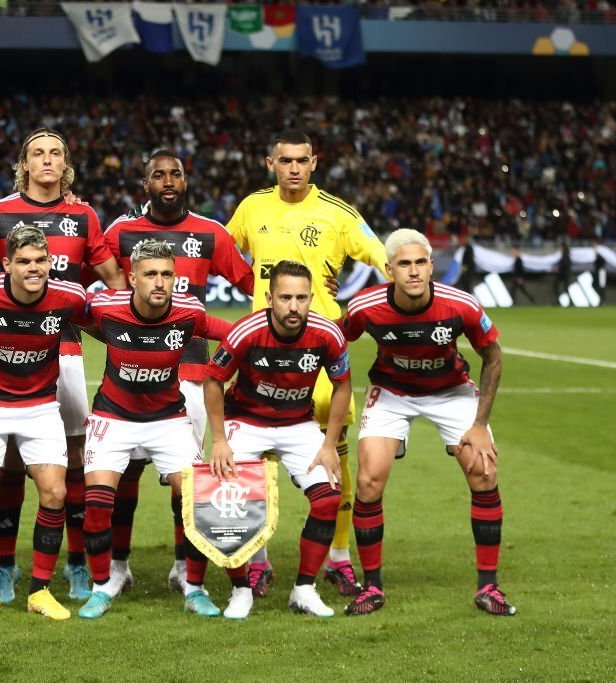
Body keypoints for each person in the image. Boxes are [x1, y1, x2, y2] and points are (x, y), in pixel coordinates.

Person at [0, 128, 125, 603]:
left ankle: (73, 565)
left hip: (63, 352)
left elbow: (113, 283)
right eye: (37, 154)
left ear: (65, 163)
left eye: (55, 153)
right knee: (7, 467)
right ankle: (5, 567)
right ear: (24, 164)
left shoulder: (83, 214)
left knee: (71, 468)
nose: (46, 160)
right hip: (7, 361)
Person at [226, 128, 390, 598]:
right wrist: (251, 289)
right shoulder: (252, 207)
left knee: (332, 459)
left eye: (302, 160)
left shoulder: (338, 214)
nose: (293, 168)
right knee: (254, 460)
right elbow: (223, 250)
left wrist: (402, 273)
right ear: (270, 163)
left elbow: (382, 256)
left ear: (314, 162)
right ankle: (256, 560)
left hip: (321, 357)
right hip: (260, 353)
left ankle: (338, 558)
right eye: (285, 160)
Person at [340, 228, 515, 617]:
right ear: (389, 269)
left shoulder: (461, 305)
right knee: (369, 479)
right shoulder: (364, 307)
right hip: (391, 392)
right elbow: (334, 340)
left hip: (451, 391)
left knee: (483, 471)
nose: (414, 271)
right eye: (405, 264)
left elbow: (494, 357)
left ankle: (489, 586)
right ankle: (372, 587)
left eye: (421, 262)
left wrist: (480, 425)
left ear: (432, 266)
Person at [102, 150, 254, 593]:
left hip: (192, 371)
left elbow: (253, 286)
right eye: (158, 175)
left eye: (175, 175)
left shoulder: (211, 233)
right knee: (125, 474)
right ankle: (118, 563)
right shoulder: (121, 231)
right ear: (144, 183)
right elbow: (93, 271)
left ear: (185, 181)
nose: (168, 181)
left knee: (183, 481)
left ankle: (182, 565)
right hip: (132, 372)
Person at [77, 239, 240, 620]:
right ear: (132, 278)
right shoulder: (105, 307)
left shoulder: (188, 314)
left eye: (167, 274)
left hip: (168, 420)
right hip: (113, 418)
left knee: (196, 499)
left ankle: (194, 588)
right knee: (98, 503)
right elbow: (65, 308)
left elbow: (234, 336)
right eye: (150, 274)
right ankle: (103, 586)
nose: (159, 282)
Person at [0, 225, 89, 622]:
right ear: (7, 263)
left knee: (56, 493)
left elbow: (105, 323)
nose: (35, 268)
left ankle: (40, 591)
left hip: (41, 406)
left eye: (41, 260)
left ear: (50, 262)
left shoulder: (69, 297)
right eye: (25, 261)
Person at [205, 260, 351, 619]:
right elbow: (213, 380)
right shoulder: (246, 332)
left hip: (297, 424)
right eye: (285, 297)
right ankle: (241, 590)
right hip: (246, 420)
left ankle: (304, 589)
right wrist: (220, 440)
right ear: (270, 298)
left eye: (302, 298)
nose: (294, 306)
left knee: (329, 498)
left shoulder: (327, 334)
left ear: (311, 298)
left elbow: (343, 384)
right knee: (227, 500)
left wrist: (329, 443)